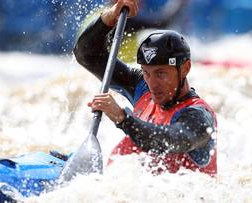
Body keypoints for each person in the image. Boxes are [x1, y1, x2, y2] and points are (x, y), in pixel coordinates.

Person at [73, 0, 217, 177]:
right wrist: (110, 17)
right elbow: (87, 54)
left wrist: (123, 119)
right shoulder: (142, 87)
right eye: (146, 73)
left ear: (185, 68)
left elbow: (173, 139)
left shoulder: (199, 116)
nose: (152, 83)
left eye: (161, 74)